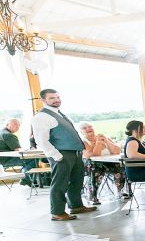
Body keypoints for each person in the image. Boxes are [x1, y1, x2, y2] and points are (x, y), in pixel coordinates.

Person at [31, 89, 97, 221]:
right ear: (43, 100)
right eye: (51, 98)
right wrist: (57, 156)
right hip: (61, 154)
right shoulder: (41, 117)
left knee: (76, 181)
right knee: (60, 183)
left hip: (75, 152)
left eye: (57, 97)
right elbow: (41, 140)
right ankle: (57, 212)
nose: (56, 100)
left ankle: (76, 206)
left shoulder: (60, 114)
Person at [79, 122, 125, 204]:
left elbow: (117, 151)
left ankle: (120, 191)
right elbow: (93, 155)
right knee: (97, 168)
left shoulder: (103, 137)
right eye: (84, 128)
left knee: (120, 166)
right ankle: (93, 196)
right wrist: (98, 143)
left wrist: (106, 140)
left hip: (108, 162)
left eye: (90, 126)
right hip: (90, 164)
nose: (88, 128)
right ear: (81, 131)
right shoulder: (83, 141)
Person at [0, 118, 37, 184]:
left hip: (2, 159)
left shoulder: (2, 132)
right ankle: (26, 179)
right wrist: (29, 150)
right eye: (15, 124)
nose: (18, 127)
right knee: (33, 160)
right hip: (6, 160)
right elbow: (18, 150)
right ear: (7, 124)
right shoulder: (8, 135)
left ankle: (27, 179)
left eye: (19, 125)